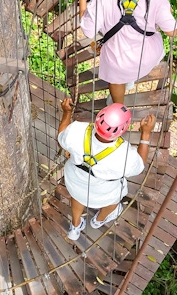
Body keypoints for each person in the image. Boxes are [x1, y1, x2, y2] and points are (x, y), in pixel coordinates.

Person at [77, 0, 177, 104]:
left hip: (119, 63)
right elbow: (172, 32)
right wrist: (164, 12)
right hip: (147, 58)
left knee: (118, 76)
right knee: (129, 68)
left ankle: (118, 106)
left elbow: (88, 30)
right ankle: (130, 78)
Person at [58, 97, 156, 241]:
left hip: (75, 181)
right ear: (123, 130)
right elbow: (140, 165)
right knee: (115, 199)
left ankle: (75, 226)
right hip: (103, 194)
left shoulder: (78, 129)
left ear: (99, 117)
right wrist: (146, 133)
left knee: (78, 197)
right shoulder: (125, 155)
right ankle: (98, 220)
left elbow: (61, 137)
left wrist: (67, 112)